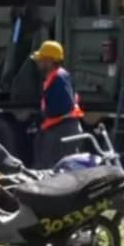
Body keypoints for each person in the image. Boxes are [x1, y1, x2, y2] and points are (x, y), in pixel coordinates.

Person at [32, 40, 84, 168]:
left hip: (60, 132)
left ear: (50, 61)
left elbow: (61, 107)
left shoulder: (57, 78)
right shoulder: (62, 75)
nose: (38, 62)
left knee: (54, 170)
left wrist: (46, 114)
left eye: (41, 59)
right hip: (65, 128)